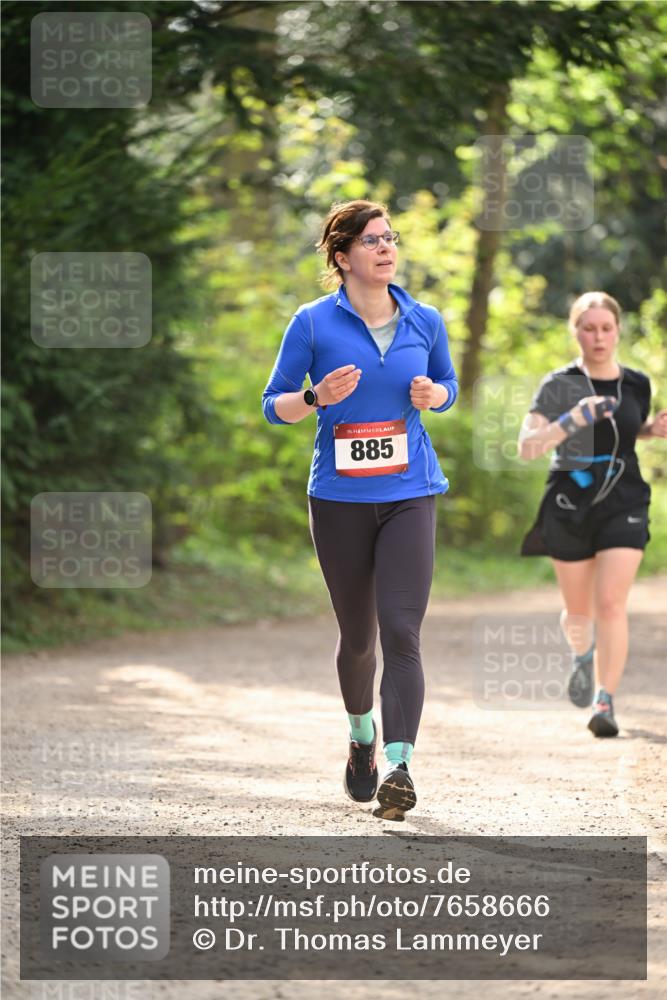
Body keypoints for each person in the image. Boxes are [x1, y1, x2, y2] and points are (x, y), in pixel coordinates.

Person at [262, 199, 457, 820]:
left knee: (402, 629)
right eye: (372, 240)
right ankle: (361, 736)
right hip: (339, 500)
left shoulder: (424, 319)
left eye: (390, 237)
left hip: (409, 492)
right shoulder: (313, 323)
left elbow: (449, 385)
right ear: (343, 256)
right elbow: (273, 405)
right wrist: (315, 396)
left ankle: (399, 766)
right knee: (358, 638)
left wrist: (436, 394)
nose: (386, 247)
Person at [519, 291, 666, 737]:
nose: (598, 337)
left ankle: (605, 700)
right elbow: (528, 447)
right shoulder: (558, 384)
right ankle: (582, 654)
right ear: (575, 332)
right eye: (589, 328)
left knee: (611, 602)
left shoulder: (637, 383)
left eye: (606, 328)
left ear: (618, 330)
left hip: (625, 497)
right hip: (570, 500)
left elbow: (625, 430)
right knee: (579, 612)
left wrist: (651, 429)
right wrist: (574, 419)